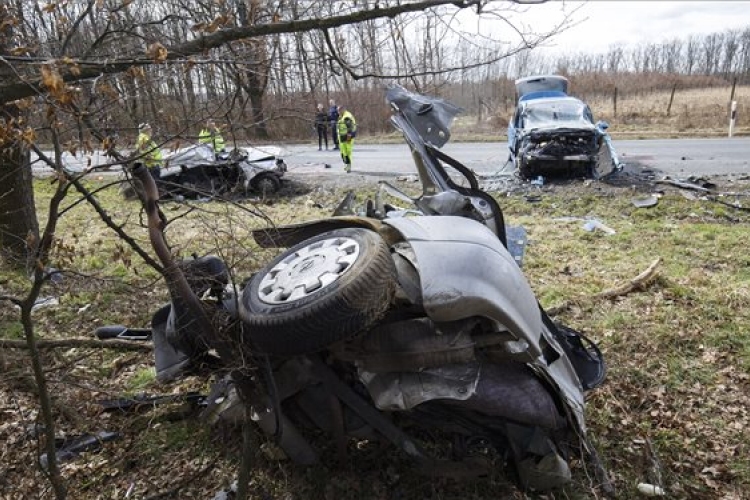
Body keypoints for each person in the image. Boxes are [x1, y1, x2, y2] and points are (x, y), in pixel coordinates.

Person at [337, 105, 357, 173]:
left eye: (339, 110)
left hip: (347, 137)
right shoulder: (342, 115)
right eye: (337, 110)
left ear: (343, 110)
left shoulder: (346, 117)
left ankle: (349, 166)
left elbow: (350, 129)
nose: (338, 112)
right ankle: (347, 165)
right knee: (343, 152)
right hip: (342, 137)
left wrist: (348, 139)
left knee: (348, 152)